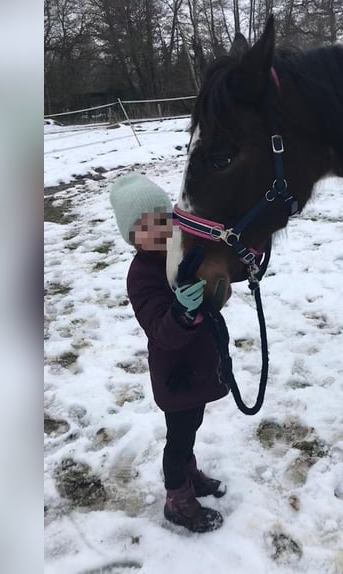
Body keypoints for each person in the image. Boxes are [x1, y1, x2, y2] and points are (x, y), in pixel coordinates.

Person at [109, 173, 228, 533]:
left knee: (192, 425)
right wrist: (181, 312)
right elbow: (160, 330)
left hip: (200, 363)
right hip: (176, 372)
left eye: (161, 220)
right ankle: (177, 497)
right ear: (132, 237)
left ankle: (189, 474)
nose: (156, 231)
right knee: (178, 438)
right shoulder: (141, 275)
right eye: (143, 228)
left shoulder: (185, 253)